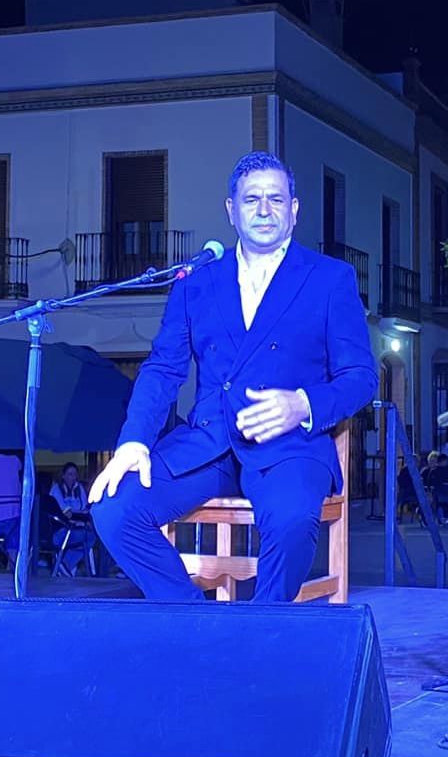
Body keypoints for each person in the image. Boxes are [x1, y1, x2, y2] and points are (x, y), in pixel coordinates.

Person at [90, 152, 375, 601]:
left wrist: (303, 404)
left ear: (294, 210)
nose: (264, 211)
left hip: (289, 448)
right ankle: (197, 623)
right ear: (231, 209)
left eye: (276, 200)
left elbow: (361, 377)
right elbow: (163, 368)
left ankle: (257, 632)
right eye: (252, 200)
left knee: (291, 521)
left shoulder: (329, 279)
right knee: (113, 508)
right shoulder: (194, 282)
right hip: (208, 444)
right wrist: (134, 441)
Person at [47, 463, 94, 577]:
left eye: (74, 474)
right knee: (89, 537)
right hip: (60, 530)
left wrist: (79, 516)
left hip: (76, 527)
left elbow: (84, 509)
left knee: (91, 536)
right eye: (69, 474)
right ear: (63, 476)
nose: (72, 477)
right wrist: (79, 515)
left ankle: (64, 565)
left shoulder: (79, 488)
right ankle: (65, 565)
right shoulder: (56, 489)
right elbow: (66, 513)